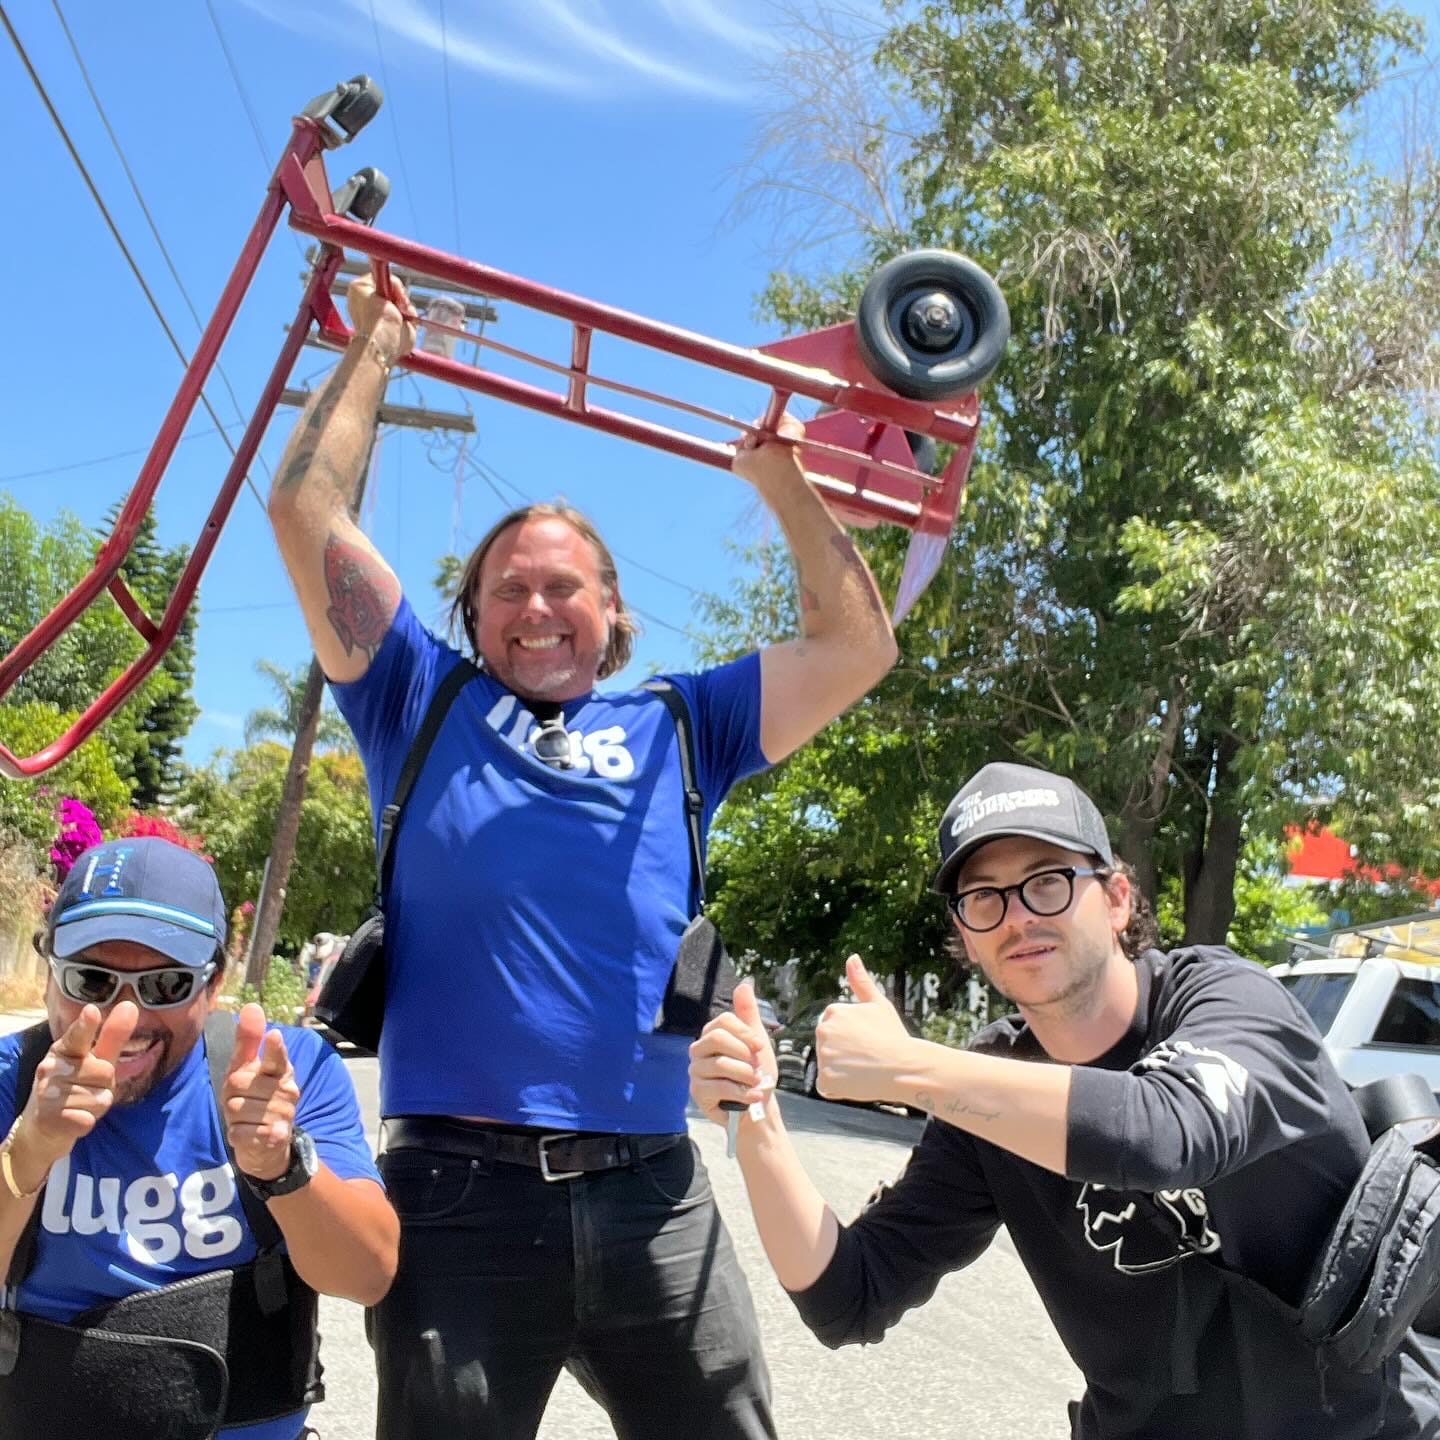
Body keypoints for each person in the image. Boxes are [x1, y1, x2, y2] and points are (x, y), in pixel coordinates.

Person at [265, 272, 899, 1439]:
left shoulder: (684, 720)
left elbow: (856, 648)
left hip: (654, 1190)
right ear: (472, 616)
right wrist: (377, 346)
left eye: (567, 586)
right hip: (457, 1200)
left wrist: (784, 481)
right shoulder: (414, 696)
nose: (538, 606)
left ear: (613, 610)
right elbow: (307, 517)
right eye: (509, 589)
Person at [690, 760, 1440, 1439]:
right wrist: (755, 1118)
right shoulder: (989, 1094)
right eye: (984, 897)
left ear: (1116, 897)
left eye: (1047, 880)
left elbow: (1165, 1134)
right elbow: (848, 1296)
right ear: (966, 935)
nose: (1018, 916)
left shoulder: (1226, 997)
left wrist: (911, 1068)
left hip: (1360, 1424)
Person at [0, 836, 398, 1439]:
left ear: (213, 986)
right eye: (91, 980)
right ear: (51, 974)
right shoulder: (10, 1077)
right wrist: (29, 1148)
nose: (123, 1015)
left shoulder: (288, 1070)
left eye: (165, 986)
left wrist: (279, 1166)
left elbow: (366, 1275)